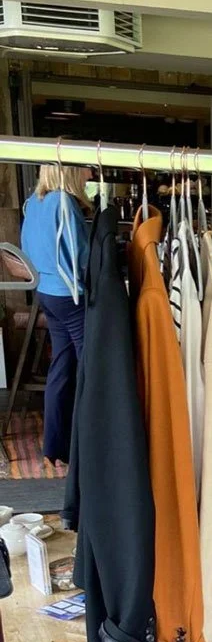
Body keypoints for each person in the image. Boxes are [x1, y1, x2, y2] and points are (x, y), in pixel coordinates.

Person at [20, 164, 92, 464]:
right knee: (91, 368)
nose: (89, 174)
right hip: (68, 293)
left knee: (62, 367)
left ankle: (55, 446)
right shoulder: (63, 202)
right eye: (84, 169)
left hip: (46, 292)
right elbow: (82, 255)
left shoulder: (32, 203)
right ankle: (87, 447)